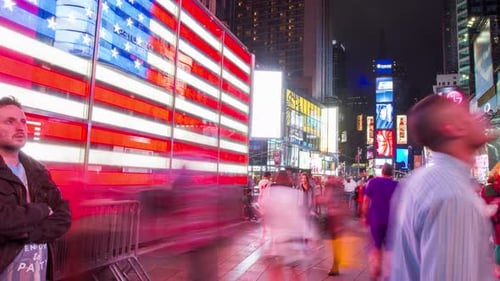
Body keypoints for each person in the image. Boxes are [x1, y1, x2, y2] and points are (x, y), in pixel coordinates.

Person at [390, 94, 497, 280]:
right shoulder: (453, 195)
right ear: (452, 129)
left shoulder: (422, 180)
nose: (478, 116)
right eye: (466, 114)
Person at [0, 96, 71, 280]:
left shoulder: (37, 170)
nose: (20, 127)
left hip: (38, 273)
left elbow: (63, 216)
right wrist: (40, 210)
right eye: (10, 121)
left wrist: (26, 232)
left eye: (23, 122)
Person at [260, 170, 317, 281]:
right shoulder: (297, 194)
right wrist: (311, 238)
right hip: (294, 240)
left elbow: (266, 216)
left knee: (276, 271)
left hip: (277, 242)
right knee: (295, 272)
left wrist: (263, 235)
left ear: (276, 179)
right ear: (289, 180)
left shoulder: (269, 193)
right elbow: (301, 218)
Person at [362, 163, 398, 280]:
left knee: (376, 246)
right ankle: (388, 274)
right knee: (390, 249)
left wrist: (364, 216)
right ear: (392, 173)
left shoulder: (373, 182)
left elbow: (366, 202)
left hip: (375, 220)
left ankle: (375, 269)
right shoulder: (397, 185)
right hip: (391, 222)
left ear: (382, 171)